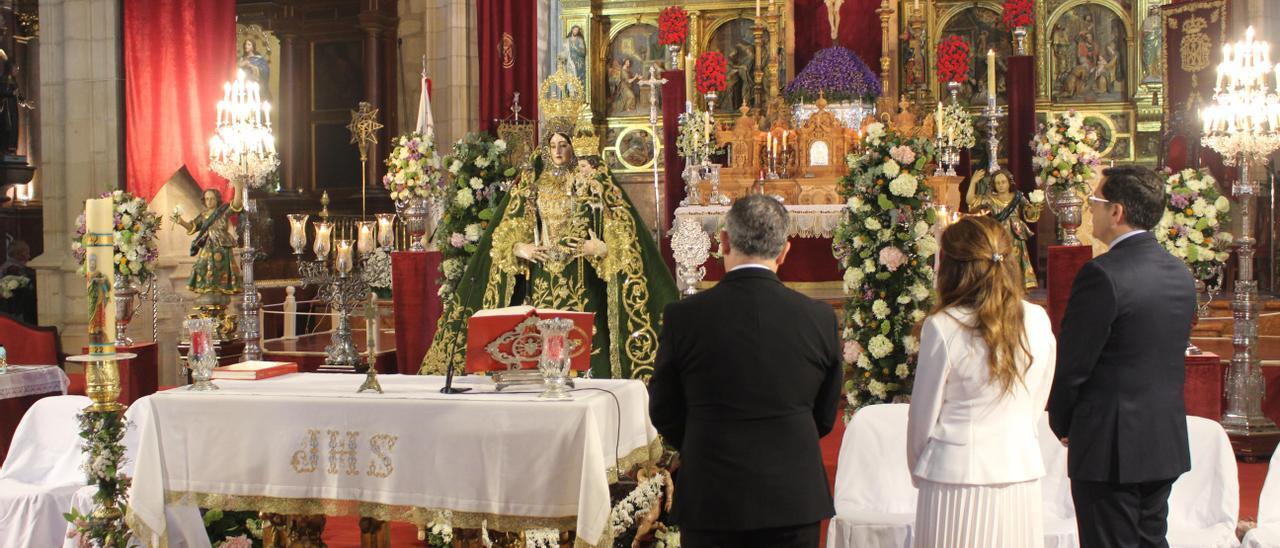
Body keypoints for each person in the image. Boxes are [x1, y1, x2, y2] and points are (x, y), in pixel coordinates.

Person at [421, 64, 676, 379]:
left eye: (563, 145)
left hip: (583, 281)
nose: (557, 151)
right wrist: (520, 247)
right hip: (540, 281)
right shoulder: (531, 184)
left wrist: (601, 247)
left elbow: (623, 233)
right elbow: (504, 233)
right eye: (552, 145)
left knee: (583, 352)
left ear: (572, 147)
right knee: (541, 350)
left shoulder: (594, 181)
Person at [648, 194, 843, 548]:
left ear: (722, 242)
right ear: (785, 250)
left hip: (711, 494)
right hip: (792, 496)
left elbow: (663, 407)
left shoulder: (684, 317)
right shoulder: (819, 318)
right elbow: (826, 414)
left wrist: (702, 439)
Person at [1049, 165, 1196, 548]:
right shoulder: (1179, 273)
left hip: (1109, 447)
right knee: (1151, 540)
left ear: (1117, 212)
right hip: (1162, 440)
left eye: (1094, 201)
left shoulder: (1102, 274)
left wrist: (1063, 422)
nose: (1089, 211)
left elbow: (1074, 364)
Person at [906, 215, 1056, 547]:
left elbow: (923, 415)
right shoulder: (1037, 319)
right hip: (1018, 467)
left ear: (950, 267)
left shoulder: (943, 325)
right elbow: (1037, 400)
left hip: (953, 474)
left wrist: (921, 467)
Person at [966, 168, 1043, 288]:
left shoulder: (1018, 196)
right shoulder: (990, 198)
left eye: (1003, 182)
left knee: (1016, 259)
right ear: (993, 185)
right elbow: (971, 201)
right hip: (998, 234)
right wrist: (973, 182)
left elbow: (1029, 213)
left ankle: (1017, 285)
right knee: (1000, 259)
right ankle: (999, 284)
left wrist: (1035, 207)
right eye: (997, 183)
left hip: (1015, 234)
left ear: (1009, 182)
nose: (1001, 185)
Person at [172, 185, 242, 297]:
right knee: (202, 267)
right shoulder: (203, 215)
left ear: (217, 199)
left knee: (222, 270)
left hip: (221, 246)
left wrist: (238, 186)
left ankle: (220, 292)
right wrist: (181, 222)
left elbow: (236, 205)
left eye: (212, 198)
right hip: (207, 246)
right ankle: (208, 291)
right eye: (207, 199)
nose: (209, 201)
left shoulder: (223, 211)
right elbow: (192, 227)